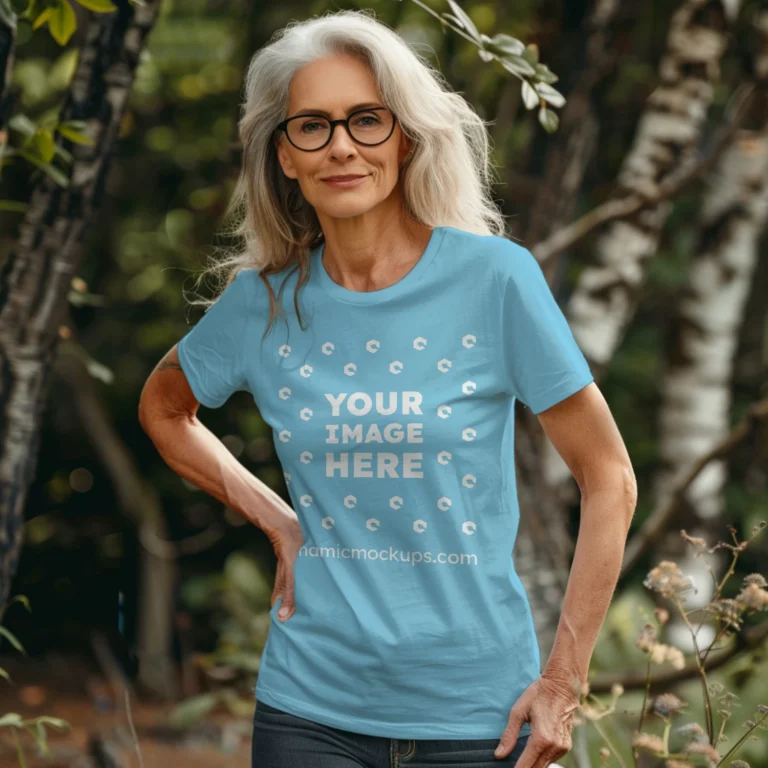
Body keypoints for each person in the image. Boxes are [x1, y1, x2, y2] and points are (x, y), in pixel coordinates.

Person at [138, 9, 637, 768]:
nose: (341, 146)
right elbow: (165, 408)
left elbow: (610, 479)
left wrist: (564, 680)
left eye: (366, 120)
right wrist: (276, 519)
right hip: (309, 710)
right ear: (285, 156)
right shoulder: (262, 302)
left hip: (480, 716)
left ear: (405, 137)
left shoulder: (496, 281)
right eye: (312, 126)